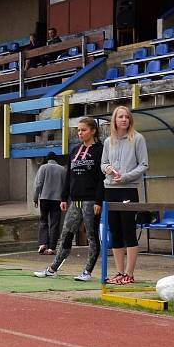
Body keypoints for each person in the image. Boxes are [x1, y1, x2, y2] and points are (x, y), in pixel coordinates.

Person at [34, 118, 105, 281]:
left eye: (84, 130)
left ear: (93, 131)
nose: (80, 133)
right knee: (66, 234)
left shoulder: (100, 150)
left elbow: (102, 178)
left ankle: (87, 271)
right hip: (75, 200)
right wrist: (64, 197)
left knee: (92, 236)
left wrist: (99, 201)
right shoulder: (74, 151)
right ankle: (53, 268)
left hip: (91, 200)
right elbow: (69, 176)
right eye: (78, 130)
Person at [101, 106, 149, 285]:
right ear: (114, 120)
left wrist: (126, 176)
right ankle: (120, 272)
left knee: (129, 230)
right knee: (115, 232)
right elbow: (103, 163)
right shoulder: (108, 142)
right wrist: (107, 169)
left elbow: (144, 164)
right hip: (110, 189)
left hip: (128, 189)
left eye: (127, 117)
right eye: (120, 116)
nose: (124, 120)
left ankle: (129, 273)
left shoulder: (137, 139)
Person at [33, 152, 66, 255]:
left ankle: (43, 243)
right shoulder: (62, 169)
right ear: (56, 159)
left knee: (43, 220)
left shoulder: (43, 167)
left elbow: (38, 184)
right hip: (57, 200)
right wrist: (65, 200)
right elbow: (65, 186)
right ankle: (51, 248)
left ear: (47, 159)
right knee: (55, 223)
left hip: (44, 198)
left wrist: (35, 198)